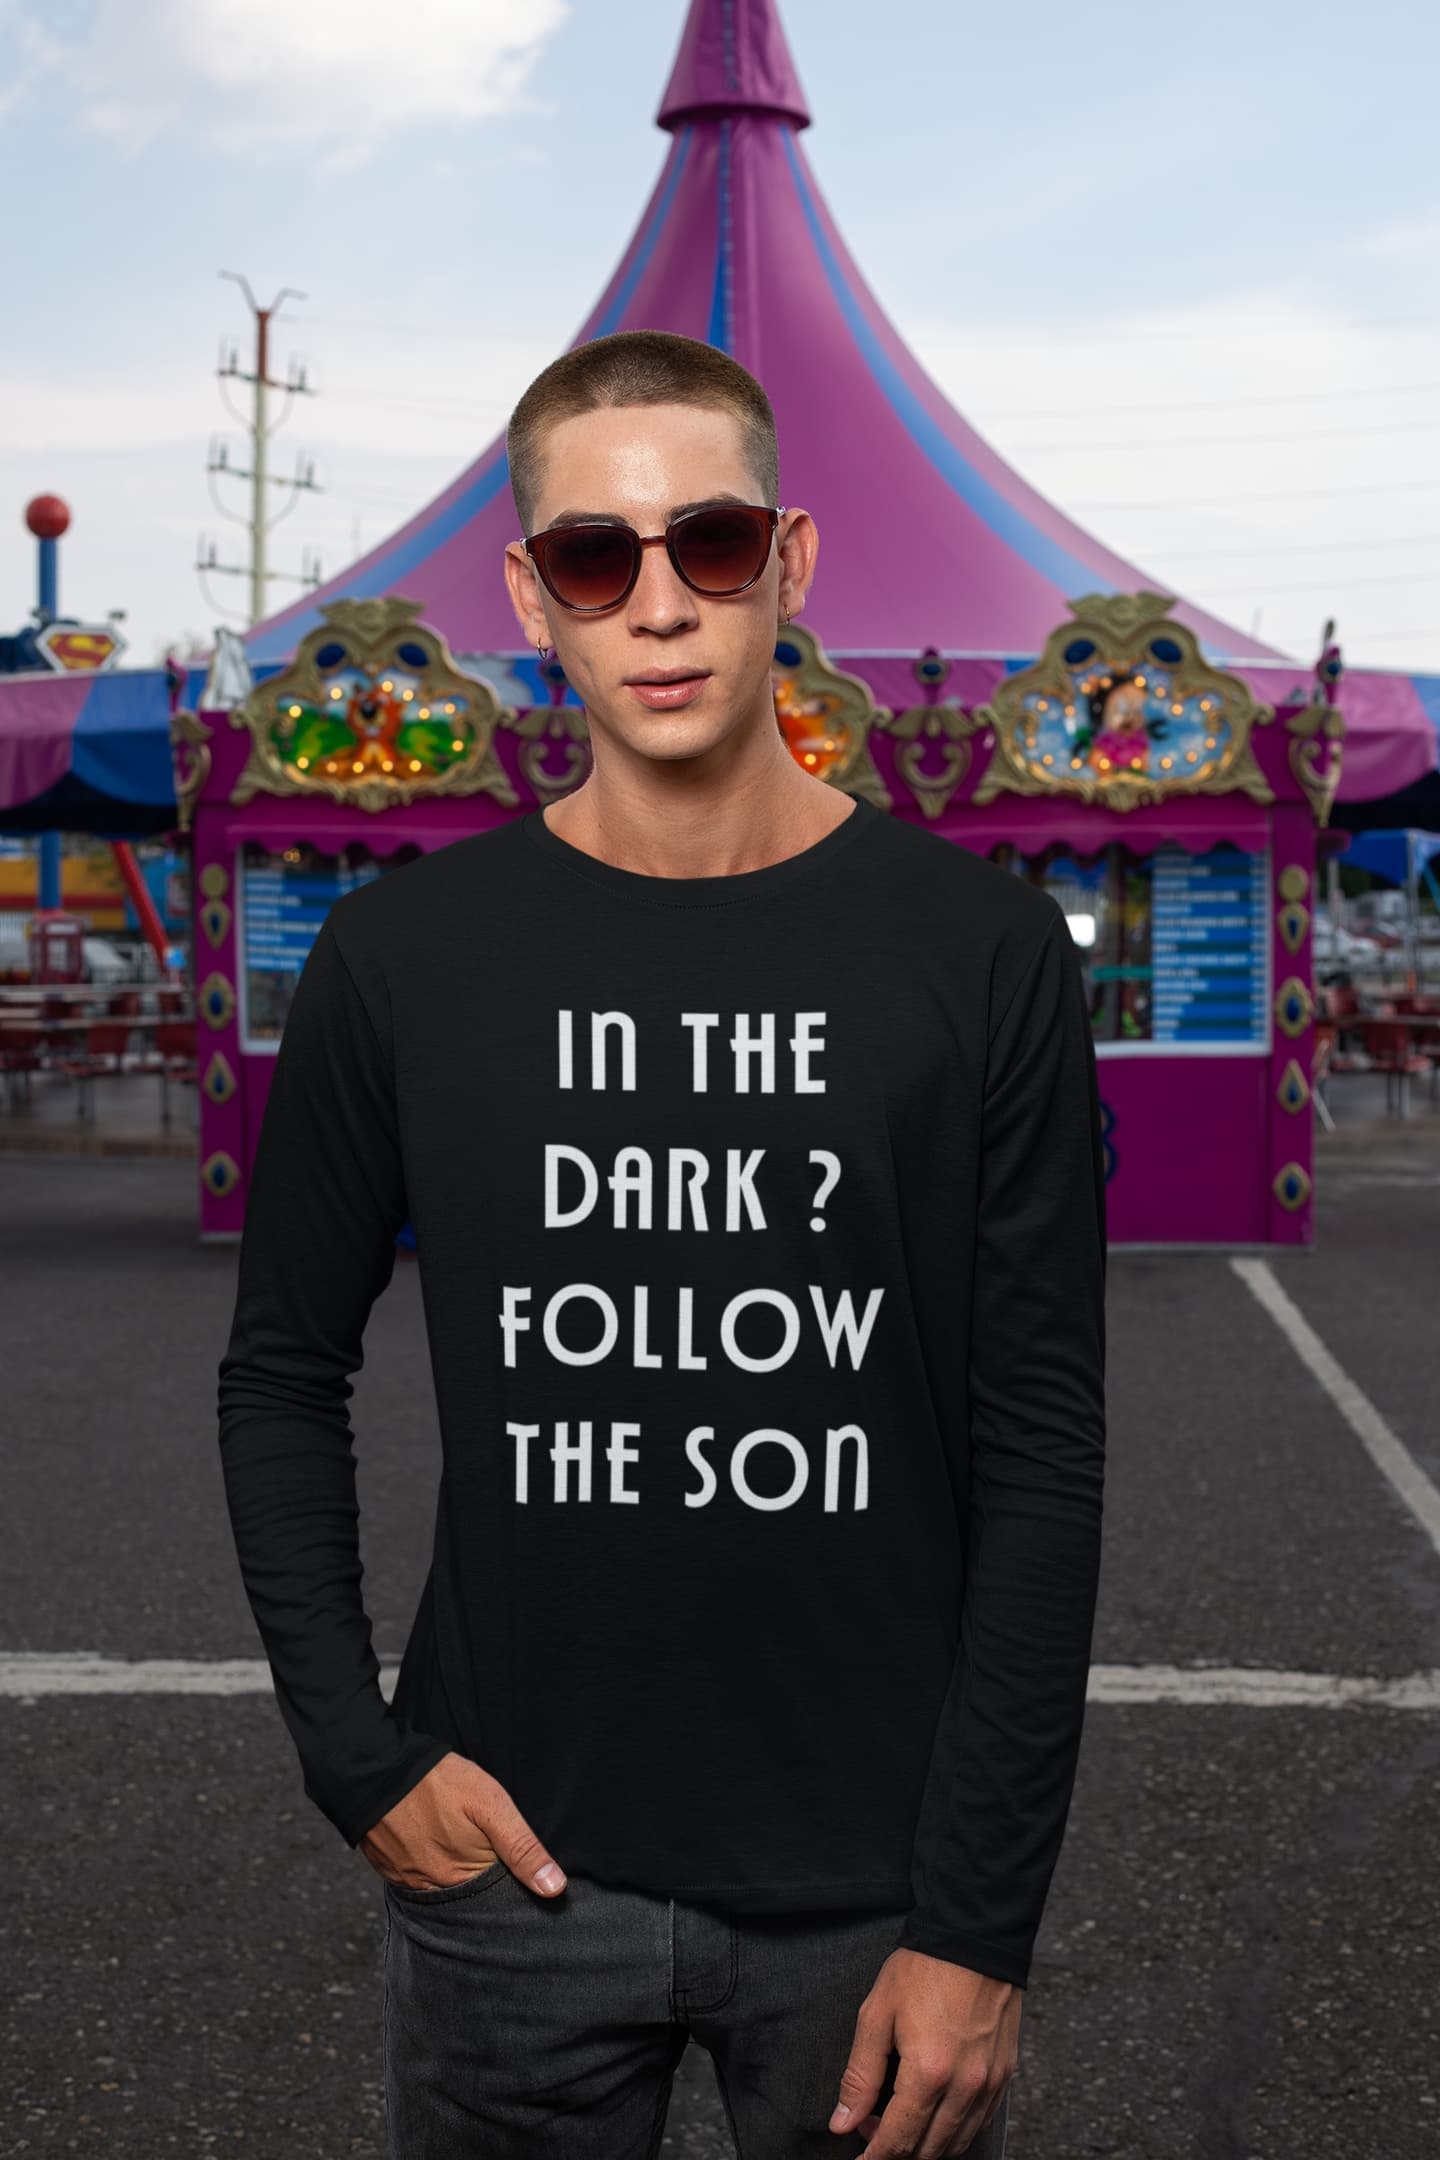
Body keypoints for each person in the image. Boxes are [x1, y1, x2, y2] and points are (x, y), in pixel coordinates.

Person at [216, 328, 1108, 2160]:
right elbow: (280, 1372)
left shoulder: (982, 952)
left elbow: (1042, 1449)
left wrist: (980, 1923)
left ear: (787, 562)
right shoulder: (404, 965)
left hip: (878, 1894)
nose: (661, 604)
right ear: (531, 595)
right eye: (598, 559)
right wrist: (357, 1758)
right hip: (511, 1879)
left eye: (707, 543)